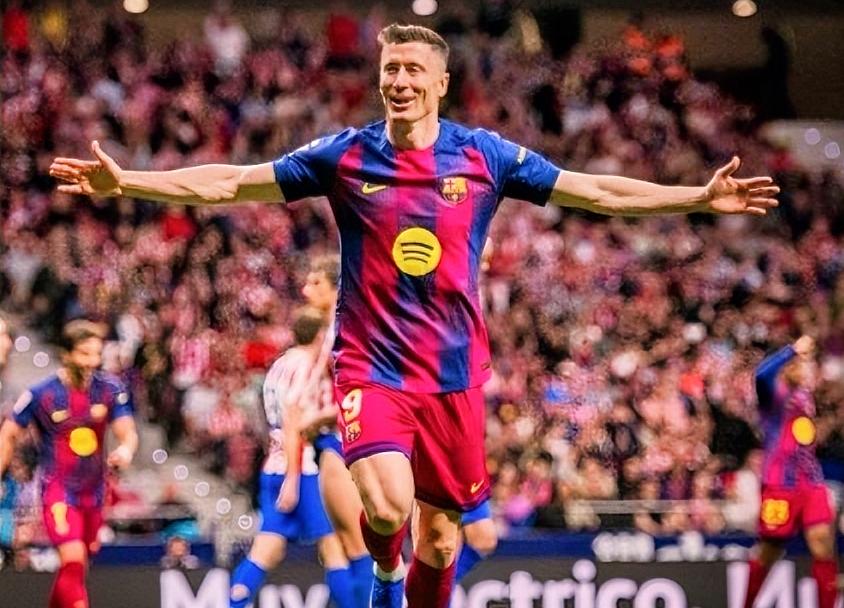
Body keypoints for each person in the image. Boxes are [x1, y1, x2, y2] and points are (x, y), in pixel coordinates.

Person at [49, 23, 779, 608]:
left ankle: (404, 579)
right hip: (371, 367)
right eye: (389, 69)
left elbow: (597, 192)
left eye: (412, 70)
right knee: (389, 510)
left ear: (440, 82)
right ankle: (384, 575)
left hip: (454, 376)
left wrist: (696, 197)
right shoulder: (345, 155)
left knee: (442, 540)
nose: (398, 81)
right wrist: (129, 182)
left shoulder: (484, 157)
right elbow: (233, 183)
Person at [0, 319, 138, 608]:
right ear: (66, 353)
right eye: (85, 353)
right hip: (58, 492)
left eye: (97, 353)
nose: (93, 361)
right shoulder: (41, 394)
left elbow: (127, 432)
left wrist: (125, 450)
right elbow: (9, 433)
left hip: (95, 492)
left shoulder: (110, 390)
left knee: (77, 565)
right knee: (73, 557)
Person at [228, 306, 359, 608]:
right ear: (319, 336)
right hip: (300, 468)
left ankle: (233, 602)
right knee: (334, 547)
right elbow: (293, 421)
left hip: (272, 464)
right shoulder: (305, 367)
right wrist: (293, 477)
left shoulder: (279, 365)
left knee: (266, 549)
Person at [742, 336, 839, 608]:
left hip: (811, 482)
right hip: (779, 486)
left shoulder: (805, 396)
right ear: (787, 367)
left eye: (806, 363)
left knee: (823, 544)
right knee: (769, 551)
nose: (805, 368)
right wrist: (792, 350)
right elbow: (761, 374)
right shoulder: (773, 395)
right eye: (800, 363)